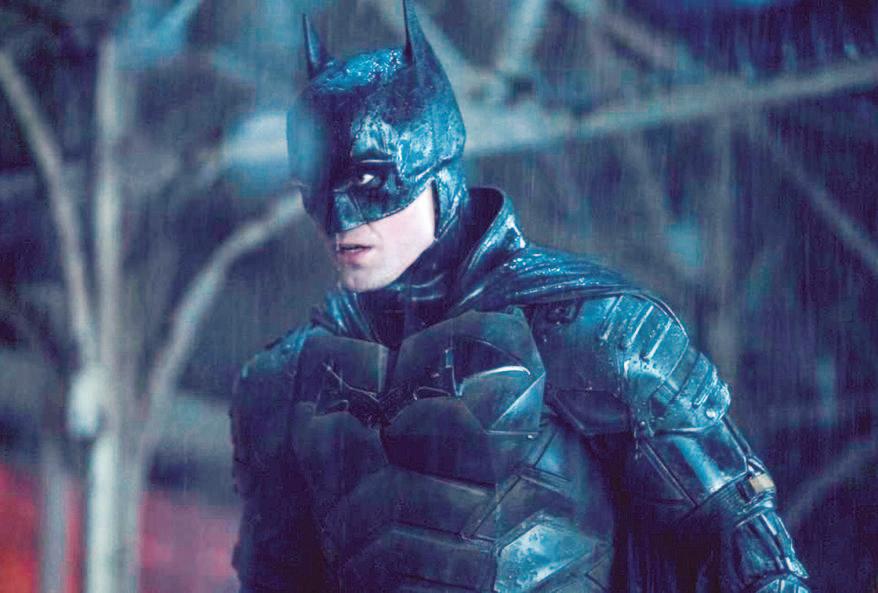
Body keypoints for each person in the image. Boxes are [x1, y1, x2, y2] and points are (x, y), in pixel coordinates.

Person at [229, 2, 810, 592]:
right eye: (314, 187)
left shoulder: (589, 328)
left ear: (437, 166)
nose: (338, 218)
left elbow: (740, 538)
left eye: (369, 180)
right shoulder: (285, 381)